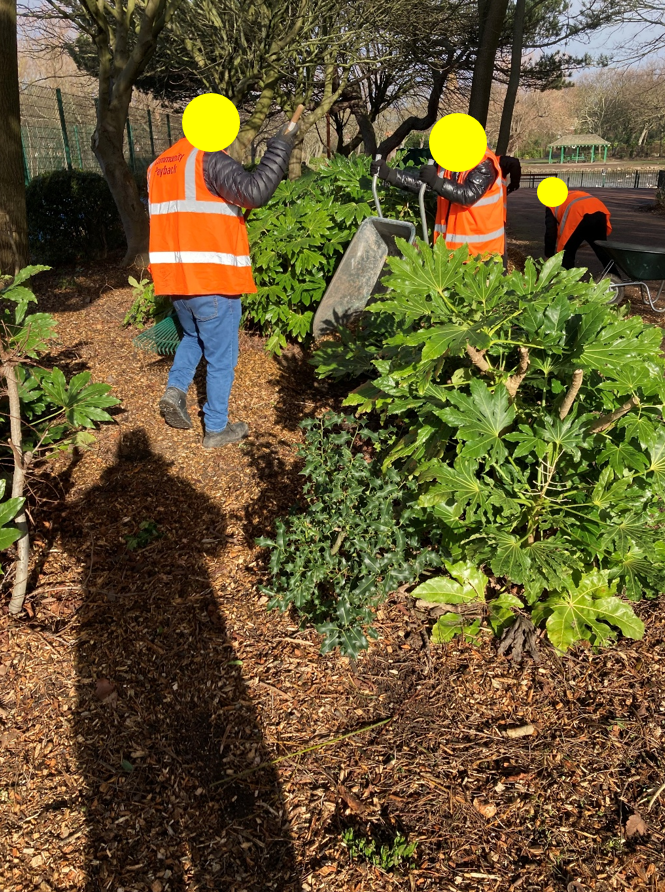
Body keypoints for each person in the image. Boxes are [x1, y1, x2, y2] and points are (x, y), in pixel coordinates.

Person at [147, 119, 299, 448]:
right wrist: (281, 146)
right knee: (222, 357)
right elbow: (255, 192)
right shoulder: (208, 158)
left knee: (192, 337)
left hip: (178, 279)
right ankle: (216, 428)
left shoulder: (160, 164)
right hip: (213, 278)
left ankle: (175, 391)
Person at [371, 146, 506, 258]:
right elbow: (425, 185)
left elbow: (468, 195)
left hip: (480, 253)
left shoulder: (484, 163)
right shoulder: (448, 161)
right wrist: (390, 174)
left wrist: (436, 181)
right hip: (449, 251)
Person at [544, 189, 612, 271]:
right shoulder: (573, 193)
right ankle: (616, 277)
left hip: (578, 216)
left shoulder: (551, 204)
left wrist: (548, 255)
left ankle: (567, 280)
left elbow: (550, 232)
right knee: (602, 251)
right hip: (599, 212)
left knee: (567, 253)